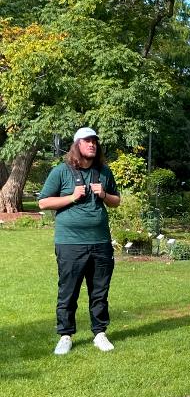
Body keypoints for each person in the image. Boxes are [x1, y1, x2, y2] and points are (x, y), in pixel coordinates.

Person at [38, 127, 121, 356]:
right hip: (70, 243)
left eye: (94, 141)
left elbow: (116, 202)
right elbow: (43, 203)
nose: (92, 144)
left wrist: (104, 194)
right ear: (77, 145)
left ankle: (100, 333)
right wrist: (71, 197)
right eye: (87, 141)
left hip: (101, 242)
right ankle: (65, 335)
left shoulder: (104, 172)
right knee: (68, 291)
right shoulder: (61, 172)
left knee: (100, 291)